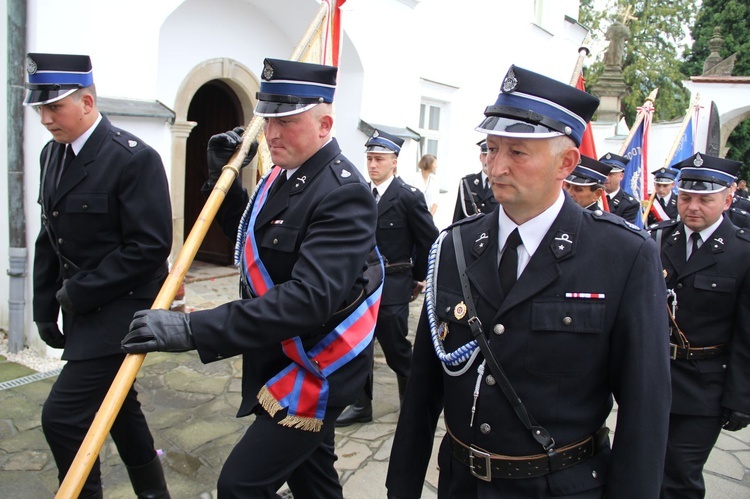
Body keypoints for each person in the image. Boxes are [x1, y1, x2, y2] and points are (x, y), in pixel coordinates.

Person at [386, 64, 671, 498]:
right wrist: (401, 486)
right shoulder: (455, 247)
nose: (496, 167)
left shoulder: (623, 256)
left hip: (557, 487)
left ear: (567, 163)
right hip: (462, 483)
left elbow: (645, 407)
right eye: (491, 149)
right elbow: (424, 389)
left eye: (517, 153)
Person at [122, 58, 381, 498]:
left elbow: (307, 300)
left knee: (240, 486)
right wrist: (217, 177)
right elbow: (251, 238)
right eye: (269, 119)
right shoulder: (284, 175)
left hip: (314, 366)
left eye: (288, 120)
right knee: (313, 480)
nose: (273, 133)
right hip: (281, 355)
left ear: (325, 124)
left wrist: (192, 328)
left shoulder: (342, 192)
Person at [25, 53, 171, 498]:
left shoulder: (132, 158)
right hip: (83, 306)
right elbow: (51, 237)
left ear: (87, 102)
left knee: (64, 417)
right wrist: (45, 307)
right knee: (119, 407)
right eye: (40, 109)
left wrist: (76, 293)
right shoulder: (53, 153)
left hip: (123, 310)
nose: (46, 119)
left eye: (55, 108)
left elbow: (150, 247)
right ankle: (154, 493)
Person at [648, 153, 750, 499]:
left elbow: (747, 334)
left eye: (704, 199)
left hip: (705, 385)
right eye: (685, 197)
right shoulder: (657, 241)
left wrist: (742, 397)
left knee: (678, 476)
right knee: (641, 467)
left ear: (728, 197)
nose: (692, 207)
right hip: (651, 376)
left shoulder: (742, 253)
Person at [336, 129, 438, 427]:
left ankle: (413, 403)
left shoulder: (407, 197)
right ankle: (360, 406)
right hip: (359, 287)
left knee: (396, 348)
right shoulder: (359, 194)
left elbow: (429, 242)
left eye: (379, 159)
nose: (372, 165)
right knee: (359, 348)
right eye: (369, 159)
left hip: (393, 285)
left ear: (394, 162)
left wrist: (417, 279)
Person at [452, 140, 499, 222]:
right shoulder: (467, 183)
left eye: (491, 155)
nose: (487, 160)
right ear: (480, 157)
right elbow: (458, 217)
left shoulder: (504, 183)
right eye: (484, 155)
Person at [599, 152, 641, 224]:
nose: (606, 178)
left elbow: (625, 232)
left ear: (621, 176)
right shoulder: (592, 196)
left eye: (611, 174)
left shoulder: (629, 204)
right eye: (604, 174)